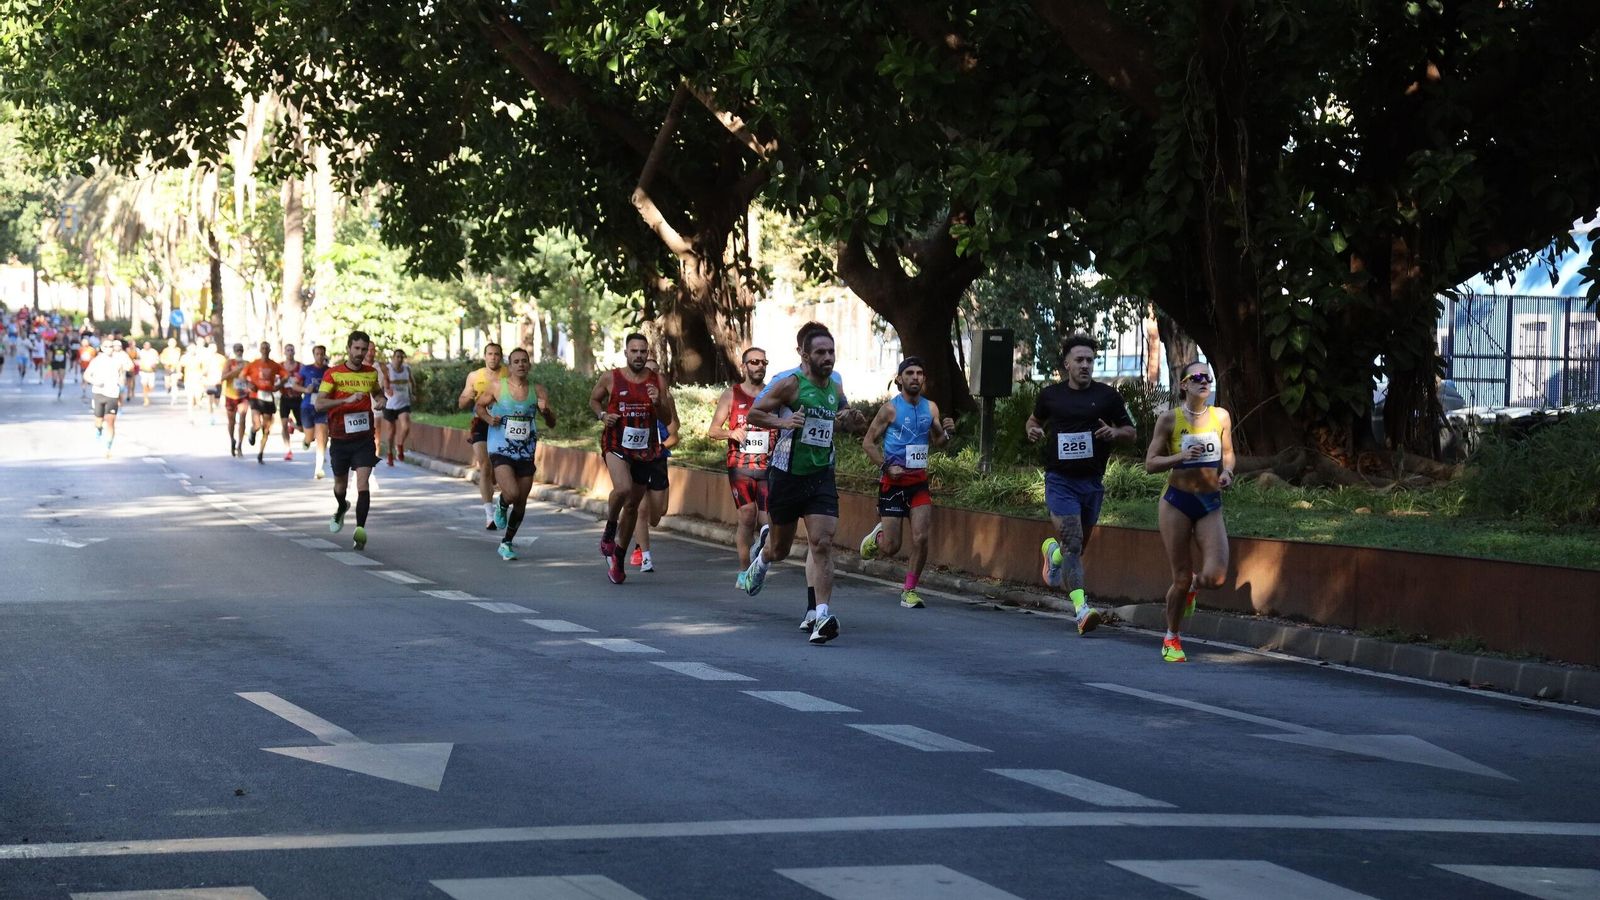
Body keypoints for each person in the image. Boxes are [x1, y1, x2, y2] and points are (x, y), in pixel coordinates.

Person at [739, 326, 869, 643]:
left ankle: (822, 616)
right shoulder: (791, 385)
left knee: (822, 543)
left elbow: (839, 415)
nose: (828, 358)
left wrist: (851, 420)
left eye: (831, 352)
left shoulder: (835, 384)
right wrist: (784, 422)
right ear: (805, 354)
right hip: (786, 475)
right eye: (821, 352)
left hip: (821, 474)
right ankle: (763, 558)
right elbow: (754, 413)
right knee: (781, 549)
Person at [1028, 334, 1138, 636]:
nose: (1086, 365)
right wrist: (1034, 431)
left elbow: (1132, 432)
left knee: (1074, 548)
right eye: (1079, 360)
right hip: (1060, 480)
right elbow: (1033, 421)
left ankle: (1053, 555)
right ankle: (1081, 609)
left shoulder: (1108, 397)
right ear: (1067, 364)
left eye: (1090, 360)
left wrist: (1115, 434)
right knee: (1074, 543)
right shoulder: (1051, 395)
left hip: (1092, 483)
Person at [1144, 361, 1235, 663]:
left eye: (1207, 377)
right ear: (1183, 384)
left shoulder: (1221, 416)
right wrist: (1180, 456)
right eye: (1196, 377)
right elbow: (1150, 463)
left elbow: (1229, 454)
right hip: (1177, 502)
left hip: (1209, 502)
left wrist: (1228, 473)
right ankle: (1172, 636)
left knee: (1217, 577)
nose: (1203, 381)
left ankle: (1196, 585)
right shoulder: (1169, 420)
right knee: (1180, 578)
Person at [858, 356, 957, 609]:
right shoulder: (890, 409)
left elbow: (939, 442)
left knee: (921, 537)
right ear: (899, 379)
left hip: (918, 483)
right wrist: (885, 467)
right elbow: (868, 443)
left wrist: (947, 432)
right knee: (892, 547)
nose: (915, 377)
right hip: (892, 484)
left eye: (920, 373)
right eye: (910, 373)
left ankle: (910, 590)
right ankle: (878, 537)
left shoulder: (931, 408)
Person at [589, 333, 678, 585]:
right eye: (634, 351)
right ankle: (609, 529)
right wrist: (602, 415)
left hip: (644, 447)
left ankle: (618, 556)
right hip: (616, 442)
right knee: (624, 489)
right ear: (626, 353)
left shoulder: (656, 379)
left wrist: (657, 400)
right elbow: (594, 400)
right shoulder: (611, 377)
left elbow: (667, 418)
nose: (638, 355)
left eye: (642, 351)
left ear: (647, 353)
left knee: (632, 506)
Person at [476, 347, 556, 560]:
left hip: (526, 450)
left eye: (524, 361)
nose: (521, 364)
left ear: (529, 365)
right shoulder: (497, 387)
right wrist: (488, 419)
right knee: (511, 493)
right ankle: (501, 505)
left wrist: (546, 411)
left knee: (521, 501)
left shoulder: (537, 391)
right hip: (500, 448)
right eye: (516, 361)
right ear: (509, 366)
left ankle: (507, 542)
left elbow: (552, 423)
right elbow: (479, 407)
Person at [707, 347, 775, 583]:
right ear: (744, 366)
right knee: (747, 515)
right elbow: (713, 431)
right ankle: (745, 570)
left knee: (767, 522)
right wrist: (731, 433)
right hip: (740, 465)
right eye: (754, 362)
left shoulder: (773, 394)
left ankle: (759, 553)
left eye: (763, 362)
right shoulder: (732, 395)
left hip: (768, 466)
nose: (759, 366)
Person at [313, 331, 382, 550]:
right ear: (348, 348)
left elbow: (379, 394)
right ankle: (342, 507)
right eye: (357, 349)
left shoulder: (371, 374)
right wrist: (346, 399)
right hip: (340, 439)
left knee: (363, 483)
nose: (360, 353)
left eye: (364, 349)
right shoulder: (333, 375)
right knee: (340, 486)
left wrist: (381, 401)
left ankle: (360, 530)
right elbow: (319, 404)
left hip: (364, 438)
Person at [627, 356, 679, 573]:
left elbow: (675, 433)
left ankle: (641, 538)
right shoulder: (630, 398)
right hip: (637, 459)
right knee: (641, 509)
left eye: (656, 373)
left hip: (658, 459)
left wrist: (660, 446)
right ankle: (644, 554)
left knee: (657, 515)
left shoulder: (667, 400)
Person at [458, 344, 505, 529]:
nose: (493, 357)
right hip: (480, 423)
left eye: (496, 354)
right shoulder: (474, 376)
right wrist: (469, 397)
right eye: (490, 354)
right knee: (485, 466)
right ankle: (489, 514)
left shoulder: (508, 374)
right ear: (485, 356)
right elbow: (461, 403)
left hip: (502, 424)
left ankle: (500, 499)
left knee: (497, 468)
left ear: (501, 357)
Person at [84, 339, 131, 457]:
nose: (110, 348)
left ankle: (108, 447)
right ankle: (98, 429)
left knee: (110, 422)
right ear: (102, 348)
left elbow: (129, 367)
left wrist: (122, 380)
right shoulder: (96, 361)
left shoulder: (118, 360)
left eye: (111, 346)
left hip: (112, 394)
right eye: (107, 346)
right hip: (99, 393)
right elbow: (86, 375)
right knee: (99, 419)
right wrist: (95, 381)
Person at [292, 344, 331, 478]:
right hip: (308, 407)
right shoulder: (306, 369)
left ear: (325, 354)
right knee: (311, 437)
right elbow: (295, 385)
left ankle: (318, 469)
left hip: (323, 407)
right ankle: (306, 440)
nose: (320, 356)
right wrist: (305, 390)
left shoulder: (329, 371)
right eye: (317, 354)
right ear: (314, 355)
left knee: (322, 437)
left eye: (322, 354)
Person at [243, 341, 285, 465]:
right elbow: (241, 376)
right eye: (263, 348)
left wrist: (279, 385)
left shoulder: (274, 365)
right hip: (255, 396)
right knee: (257, 425)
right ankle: (253, 430)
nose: (265, 350)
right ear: (260, 350)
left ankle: (261, 453)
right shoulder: (253, 364)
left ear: (270, 350)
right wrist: (248, 383)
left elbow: (286, 375)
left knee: (266, 429)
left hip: (268, 397)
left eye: (267, 348)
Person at [380, 348, 413, 466]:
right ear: (393, 358)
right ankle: (389, 453)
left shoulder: (407, 369)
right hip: (390, 404)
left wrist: (413, 393)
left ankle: (400, 445)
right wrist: (387, 389)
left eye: (401, 357)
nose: (399, 359)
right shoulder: (388, 369)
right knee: (391, 432)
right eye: (397, 357)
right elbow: (385, 382)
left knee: (406, 426)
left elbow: (412, 382)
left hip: (404, 402)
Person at [220, 343, 250, 456]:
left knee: (243, 418)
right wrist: (234, 372)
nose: (239, 351)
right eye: (237, 349)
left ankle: (240, 444)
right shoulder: (229, 362)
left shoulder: (247, 363)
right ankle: (232, 440)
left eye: (241, 349)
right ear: (234, 351)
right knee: (231, 421)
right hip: (231, 395)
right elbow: (222, 378)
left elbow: (251, 378)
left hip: (243, 395)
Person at [277, 343, 302, 460]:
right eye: (288, 350)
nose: (290, 352)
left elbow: (305, 380)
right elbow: (275, 382)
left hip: (297, 398)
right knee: (283, 424)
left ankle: (292, 425)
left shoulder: (300, 366)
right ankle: (288, 449)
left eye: (292, 350)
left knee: (302, 428)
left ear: (294, 352)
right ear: (284, 352)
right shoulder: (280, 367)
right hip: (285, 398)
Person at [159, 340, 183, 405]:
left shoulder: (177, 350)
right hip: (167, 368)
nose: (172, 344)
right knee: (167, 384)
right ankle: (168, 388)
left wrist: (179, 371)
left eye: (173, 343)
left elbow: (178, 360)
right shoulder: (165, 350)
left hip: (175, 368)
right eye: (171, 343)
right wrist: (166, 363)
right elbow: (162, 359)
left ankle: (174, 398)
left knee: (174, 384)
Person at [137, 341, 160, 405]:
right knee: (144, 386)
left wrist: (155, 364)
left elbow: (157, 360)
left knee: (151, 386)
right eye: (145, 345)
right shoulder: (141, 352)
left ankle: (147, 392)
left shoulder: (154, 352)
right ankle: (146, 400)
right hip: (143, 371)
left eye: (148, 345)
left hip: (151, 372)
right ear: (143, 345)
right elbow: (138, 360)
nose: (147, 346)